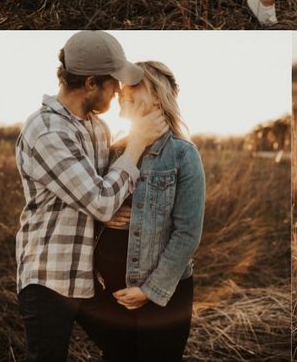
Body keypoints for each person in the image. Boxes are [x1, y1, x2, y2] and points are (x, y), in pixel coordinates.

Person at [15, 31, 167, 362]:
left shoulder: (97, 128)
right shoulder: (47, 131)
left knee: (128, 349)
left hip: (88, 275)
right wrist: (138, 142)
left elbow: (101, 192)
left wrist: (104, 205)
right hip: (49, 277)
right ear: (91, 84)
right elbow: (99, 200)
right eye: (113, 83)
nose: (118, 91)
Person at [77, 60, 205, 362]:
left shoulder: (183, 155)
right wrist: (103, 216)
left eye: (136, 86)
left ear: (158, 96)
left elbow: (188, 233)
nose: (124, 92)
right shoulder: (114, 151)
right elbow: (91, 202)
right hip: (112, 293)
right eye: (123, 89)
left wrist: (150, 290)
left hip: (162, 297)